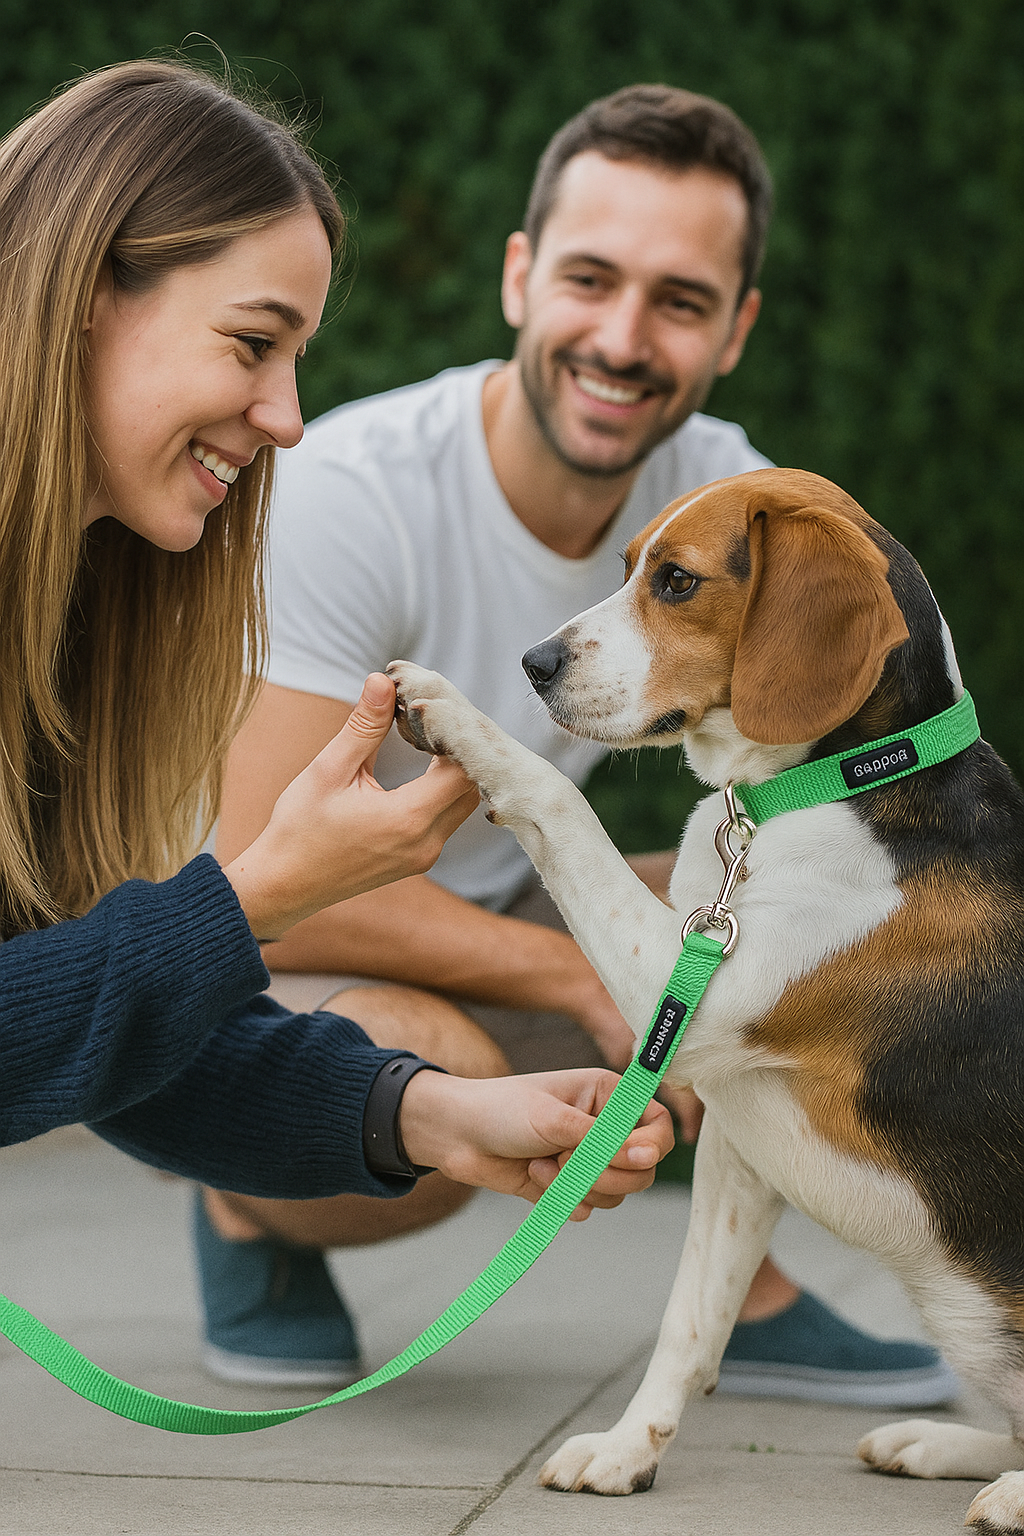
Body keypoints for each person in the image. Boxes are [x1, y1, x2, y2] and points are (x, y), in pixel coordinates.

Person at [205, 82, 957, 1407]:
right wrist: (578, 974)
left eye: (679, 300)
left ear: (736, 331)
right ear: (518, 275)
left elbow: (808, 791)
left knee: (799, 896)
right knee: (434, 1055)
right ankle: (243, 1210)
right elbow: (252, 883)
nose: (623, 337)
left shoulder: (730, 498)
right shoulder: (350, 493)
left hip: (500, 903)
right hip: (265, 960)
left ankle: (747, 1291)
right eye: (592, 278)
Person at [0, 59, 675, 1294]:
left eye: (296, 356)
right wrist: (253, 900)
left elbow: (83, 1026)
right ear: (88, 292)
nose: (288, 417)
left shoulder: (79, 610)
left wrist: (427, 1117)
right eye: (254, 342)